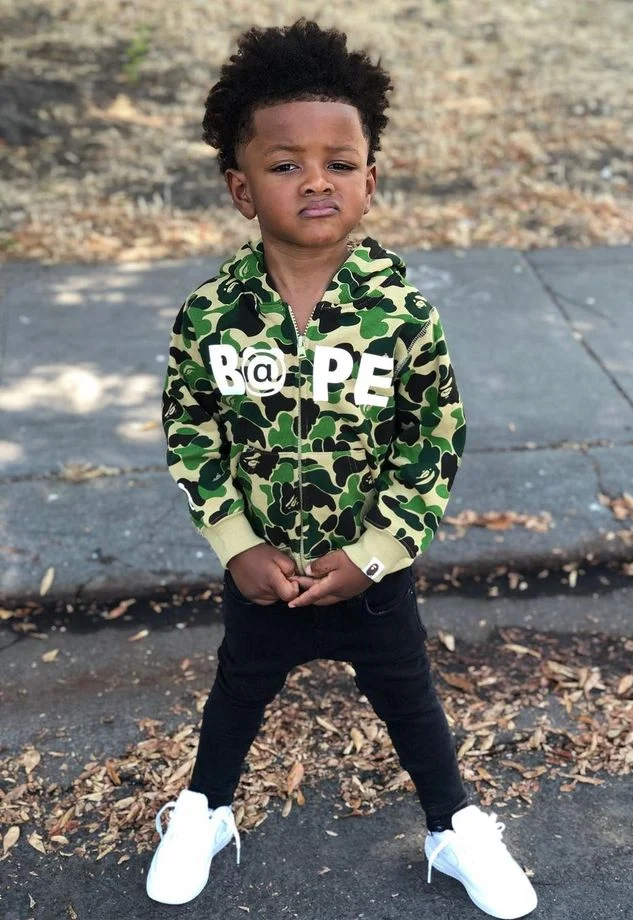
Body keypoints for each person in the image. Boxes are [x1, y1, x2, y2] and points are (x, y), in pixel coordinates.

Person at [149, 18, 537, 919]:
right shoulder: (210, 315)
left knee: (409, 698)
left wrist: (376, 549)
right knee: (237, 690)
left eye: (338, 161)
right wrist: (236, 543)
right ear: (242, 190)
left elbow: (432, 439)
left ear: (372, 180)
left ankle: (455, 828)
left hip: (367, 574)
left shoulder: (402, 314)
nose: (314, 179)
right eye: (285, 164)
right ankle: (204, 811)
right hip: (265, 574)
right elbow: (190, 433)